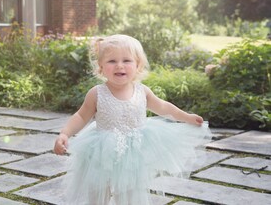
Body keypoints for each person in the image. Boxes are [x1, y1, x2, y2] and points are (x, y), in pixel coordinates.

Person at [54, 34, 211, 205]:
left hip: (134, 151)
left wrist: (186, 117)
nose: (119, 65)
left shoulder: (142, 91)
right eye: (111, 61)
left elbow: (164, 107)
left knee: (130, 193)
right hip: (102, 151)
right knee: (98, 191)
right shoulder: (97, 93)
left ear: (138, 65)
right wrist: (65, 133)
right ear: (100, 66)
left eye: (127, 60)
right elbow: (81, 116)